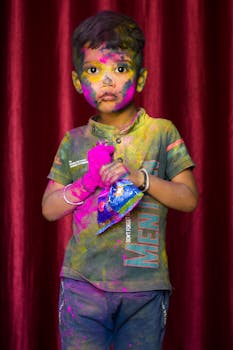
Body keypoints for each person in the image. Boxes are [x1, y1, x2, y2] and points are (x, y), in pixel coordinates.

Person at [42, 10, 198, 350]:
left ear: (140, 79)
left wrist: (141, 177)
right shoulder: (74, 141)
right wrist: (86, 184)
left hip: (144, 287)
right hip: (83, 286)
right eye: (94, 70)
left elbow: (188, 198)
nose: (107, 81)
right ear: (76, 81)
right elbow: (49, 209)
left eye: (121, 68)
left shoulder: (161, 131)